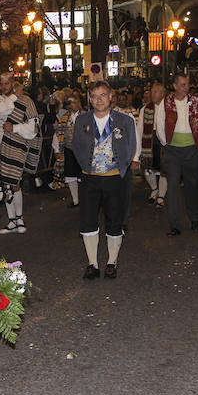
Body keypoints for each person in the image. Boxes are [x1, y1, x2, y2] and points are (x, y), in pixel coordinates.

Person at [72, 82, 139, 280]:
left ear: (111, 96)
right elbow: (76, 145)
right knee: (88, 221)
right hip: (90, 178)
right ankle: (92, 263)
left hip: (114, 178)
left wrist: (122, 168)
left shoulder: (125, 121)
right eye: (94, 96)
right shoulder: (81, 120)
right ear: (89, 99)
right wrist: (86, 165)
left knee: (114, 221)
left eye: (103, 95)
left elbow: (131, 145)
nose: (99, 99)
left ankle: (112, 261)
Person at [0, 72, 41, 234]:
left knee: (14, 182)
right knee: (5, 183)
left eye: (7, 84)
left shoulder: (27, 101)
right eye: (2, 84)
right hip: (4, 145)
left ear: (13, 83)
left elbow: (33, 129)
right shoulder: (1, 101)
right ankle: (11, 220)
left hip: (20, 146)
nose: (4, 87)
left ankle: (19, 218)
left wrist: (15, 128)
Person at [136, 83, 168, 207]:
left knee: (164, 169)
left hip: (163, 140)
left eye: (155, 91)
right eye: (152, 91)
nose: (152, 94)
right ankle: (154, 189)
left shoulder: (168, 107)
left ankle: (161, 195)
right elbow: (140, 128)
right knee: (148, 168)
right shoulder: (146, 108)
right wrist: (138, 147)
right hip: (148, 140)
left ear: (163, 93)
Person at [52, 93, 83, 207]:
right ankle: (76, 200)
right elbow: (58, 134)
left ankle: (85, 199)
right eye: (74, 102)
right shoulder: (64, 118)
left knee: (83, 176)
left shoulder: (87, 116)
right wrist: (57, 150)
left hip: (82, 151)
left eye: (78, 102)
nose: (76, 104)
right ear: (69, 105)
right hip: (69, 150)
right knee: (71, 176)